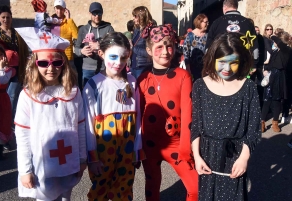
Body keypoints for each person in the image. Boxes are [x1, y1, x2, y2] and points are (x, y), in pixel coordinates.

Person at [14, 27, 86, 201]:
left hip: (68, 161)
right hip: (42, 168)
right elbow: (22, 135)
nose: (51, 68)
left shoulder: (73, 92)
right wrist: (25, 170)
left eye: (57, 63)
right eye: (44, 63)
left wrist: (82, 157)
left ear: (64, 64)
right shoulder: (27, 95)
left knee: (65, 198)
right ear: (35, 65)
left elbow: (81, 126)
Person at [192, 32, 261, 200]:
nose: (227, 69)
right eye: (222, 62)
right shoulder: (200, 86)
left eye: (233, 63)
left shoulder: (248, 87)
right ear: (213, 59)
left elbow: (253, 129)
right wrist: (196, 156)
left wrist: (244, 157)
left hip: (235, 156)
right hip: (207, 156)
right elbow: (195, 126)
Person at [138, 25, 198, 201]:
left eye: (169, 45)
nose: (165, 51)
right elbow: (139, 114)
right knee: (152, 186)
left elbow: (188, 112)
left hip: (176, 143)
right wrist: (136, 148)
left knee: (194, 187)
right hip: (149, 144)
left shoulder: (183, 76)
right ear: (149, 50)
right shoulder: (143, 78)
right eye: (159, 47)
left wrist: (186, 146)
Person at [83, 32, 143, 201]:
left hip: (128, 147)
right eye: (113, 56)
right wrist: (92, 157)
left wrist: (137, 148)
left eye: (123, 58)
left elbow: (137, 118)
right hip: (103, 149)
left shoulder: (132, 82)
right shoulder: (94, 84)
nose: (118, 62)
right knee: (100, 188)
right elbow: (88, 123)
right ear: (101, 54)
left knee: (124, 188)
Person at [0, 5, 29, 128]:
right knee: (2, 96)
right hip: (0, 69)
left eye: (8, 17)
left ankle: (10, 121)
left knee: (13, 95)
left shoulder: (16, 33)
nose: (6, 20)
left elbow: (23, 48)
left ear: (11, 18)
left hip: (16, 69)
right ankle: (2, 121)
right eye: (3, 17)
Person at [205, 0, 259, 74]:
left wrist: (208, 64)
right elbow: (255, 46)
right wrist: (254, 65)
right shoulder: (247, 23)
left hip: (222, 66)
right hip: (242, 64)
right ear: (236, 7)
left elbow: (208, 47)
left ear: (224, 7)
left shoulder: (217, 23)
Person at [75, 2, 114, 87]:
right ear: (90, 14)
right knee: (87, 95)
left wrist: (100, 46)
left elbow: (113, 46)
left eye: (99, 13)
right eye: (94, 13)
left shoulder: (108, 29)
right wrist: (81, 51)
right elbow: (76, 48)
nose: (97, 16)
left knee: (103, 94)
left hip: (104, 68)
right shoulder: (83, 30)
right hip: (87, 69)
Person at [261, 32, 292, 132]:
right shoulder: (276, 51)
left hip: (280, 77)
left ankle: (275, 122)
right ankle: (262, 122)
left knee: (277, 101)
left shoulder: (287, 50)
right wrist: (265, 70)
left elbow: (279, 42)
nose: (274, 42)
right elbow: (270, 63)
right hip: (271, 75)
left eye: (276, 41)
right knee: (267, 100)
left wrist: (273, 36)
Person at [0, 42, 15, 160]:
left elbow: (2, 80)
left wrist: (0, 68)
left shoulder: (7, 70)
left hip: (1, 100)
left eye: (1, 55)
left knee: (1, 123)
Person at [183, 13, 209, 82]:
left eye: (208, 22)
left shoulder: (208, 36)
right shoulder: (190, 35)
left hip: (206, 68)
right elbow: (186, 52)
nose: (207, 24)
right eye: (205, 22)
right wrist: (188, 68)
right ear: (199, 22)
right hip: (193, 68)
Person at [130, 6, 153, 79]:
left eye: (135, 16)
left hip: (143, 66)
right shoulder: (137, 30)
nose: (133, 18)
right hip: (133, 65)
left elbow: (150, 52)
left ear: (141, 16)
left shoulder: (150, 31)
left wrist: (133, 48)